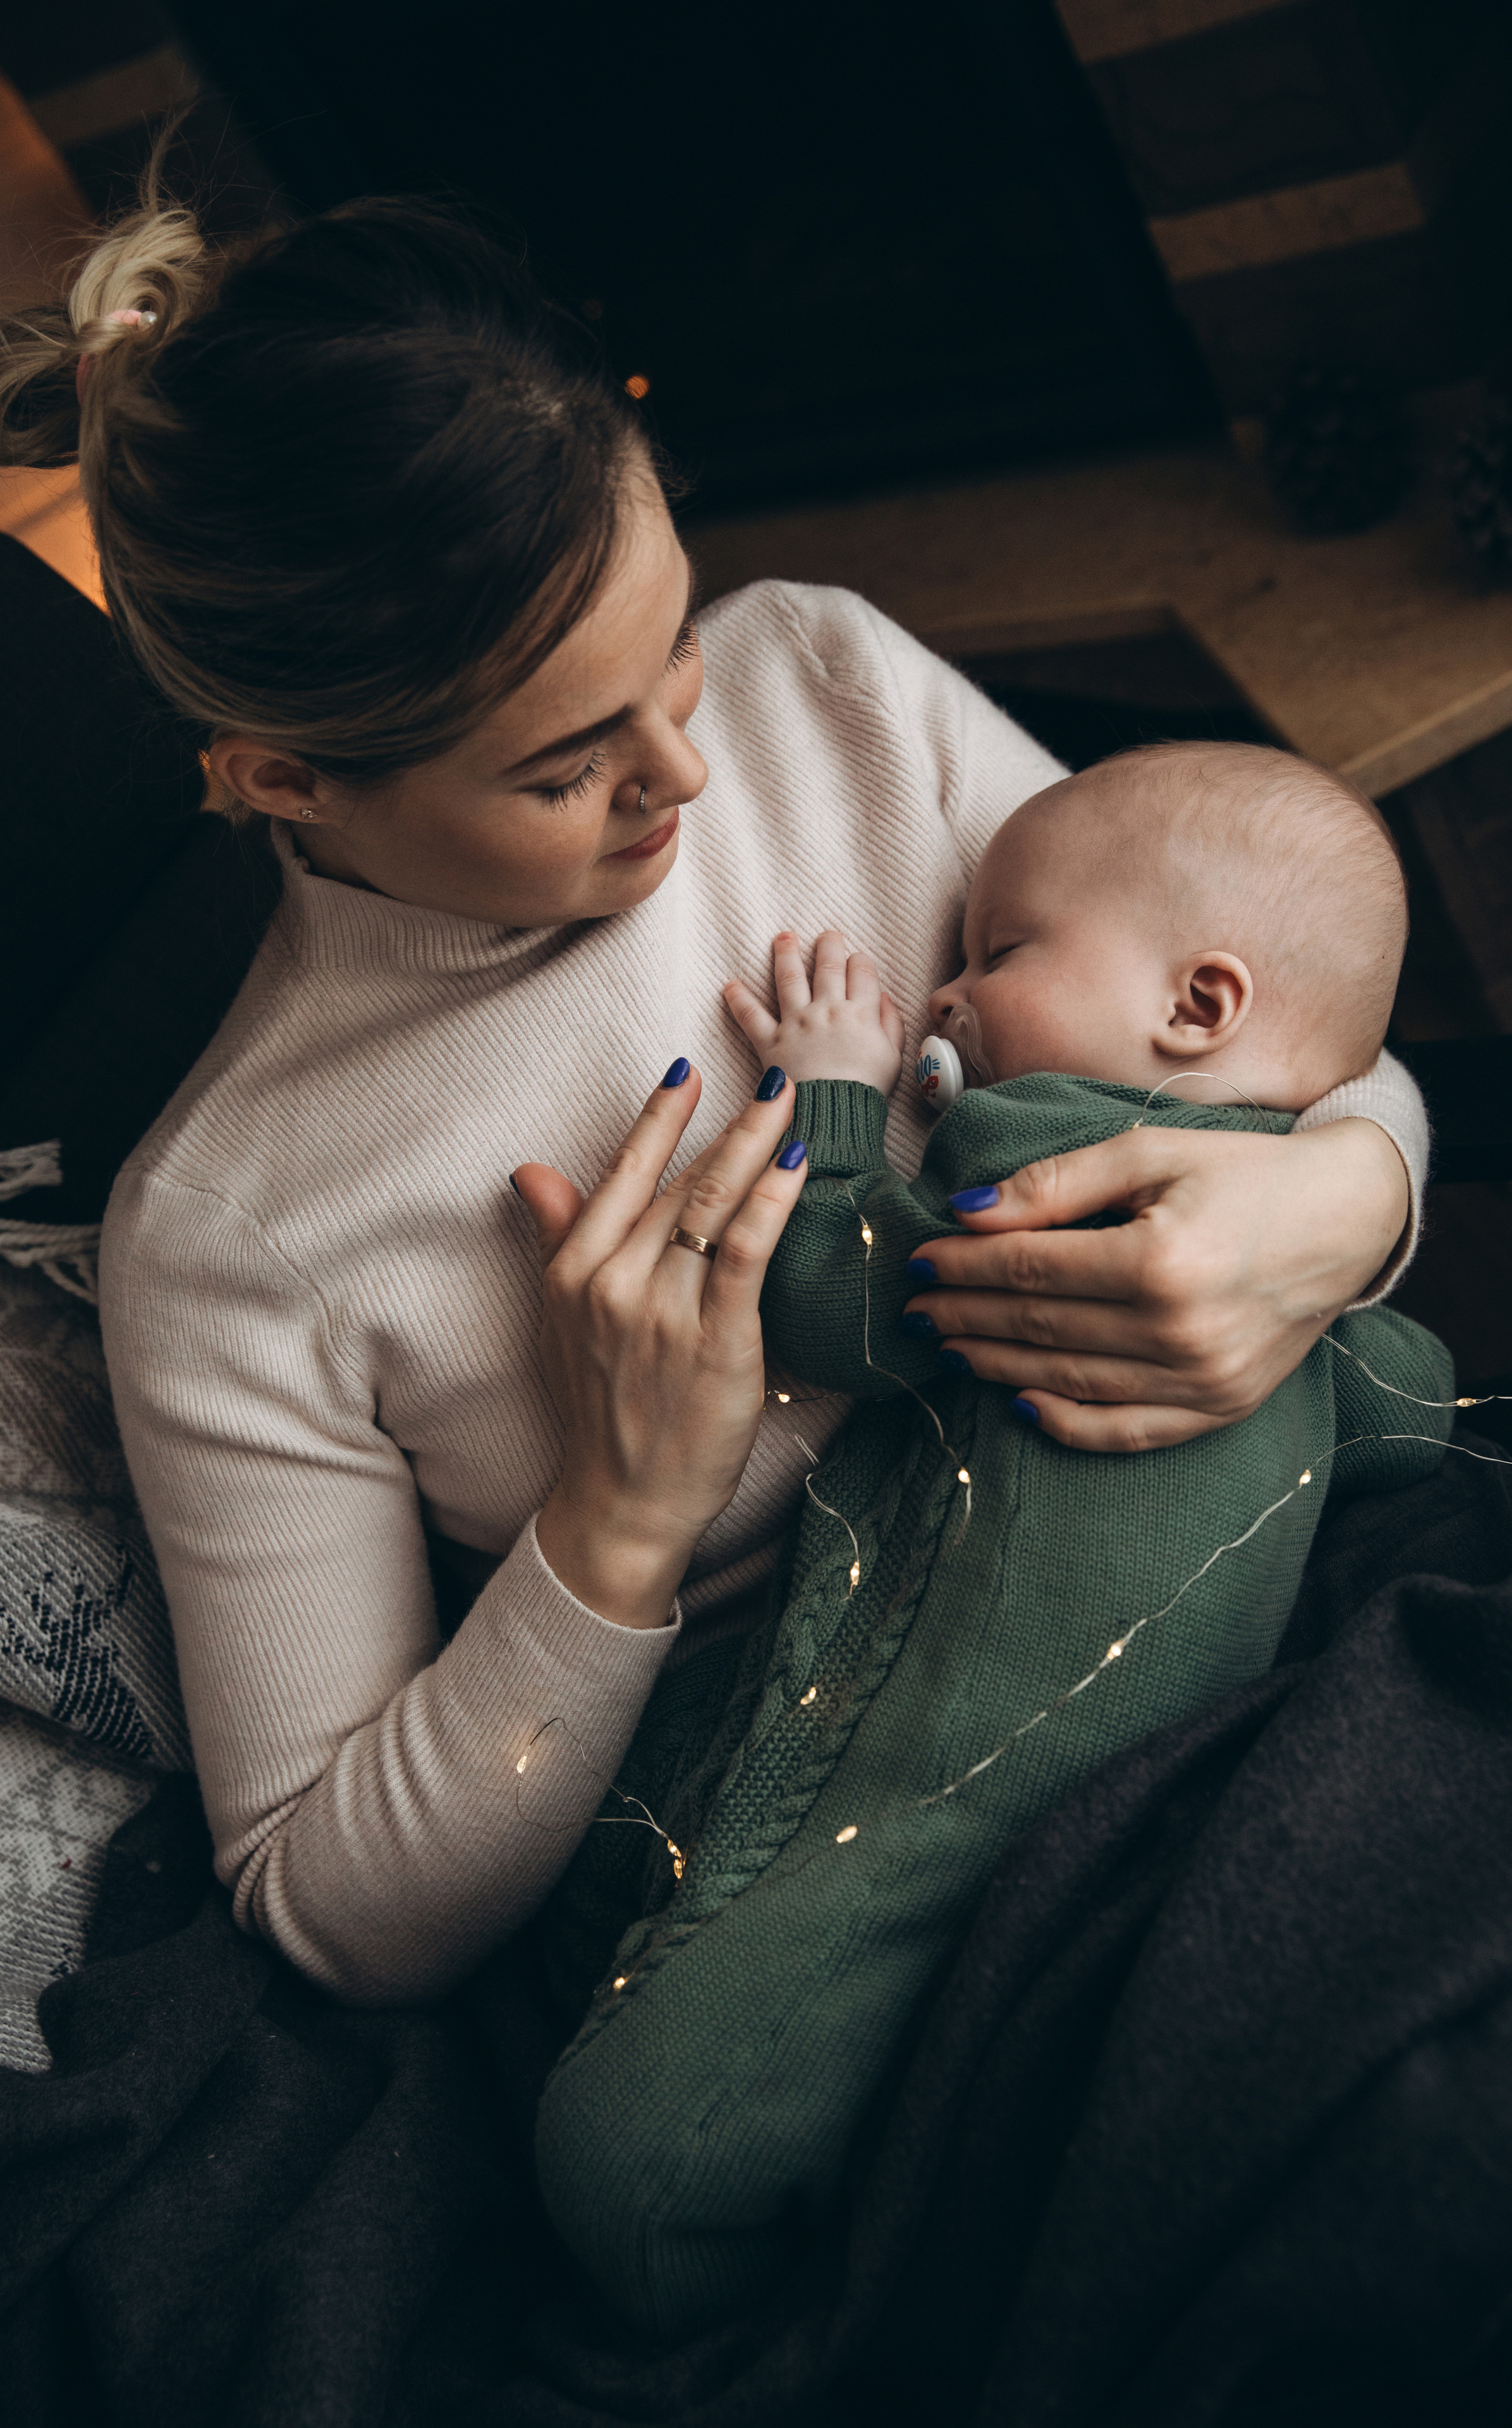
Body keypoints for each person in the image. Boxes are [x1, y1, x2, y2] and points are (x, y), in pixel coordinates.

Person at [0, 180, 1426, 2008]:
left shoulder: (823, 677)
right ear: (286, 780)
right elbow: (326, 1906)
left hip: (1275, 1562)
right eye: (572, 768)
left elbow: (1289, 1011)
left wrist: (1350, 1197)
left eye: (671, 649)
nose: (688, 768)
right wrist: (619, 1521)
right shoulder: (235, 1228)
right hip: (860, 1880)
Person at [532, 740, 1454, 2339]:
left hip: (926, 1800)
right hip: (1133, 1793)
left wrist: (834, 1091)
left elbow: (828, 1304)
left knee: (627, 2163)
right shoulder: (1289, 1273)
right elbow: (1410, 1406)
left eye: (998, 954)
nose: (947, 996)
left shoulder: (1025, 1169)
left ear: (1198, 1009)